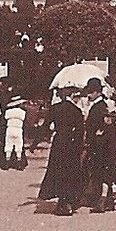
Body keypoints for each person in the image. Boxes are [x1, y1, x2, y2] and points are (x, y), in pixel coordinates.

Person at [40, 86, 88, 215]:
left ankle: (62, 202)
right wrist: (79, 146)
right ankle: (68, 202)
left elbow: (46, 126)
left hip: (59, 141)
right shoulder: (77, 111)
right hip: (72, 143)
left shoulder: (55, 108)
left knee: (58, 170)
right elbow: (80, 131)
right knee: (71, 172)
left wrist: (36, 143)